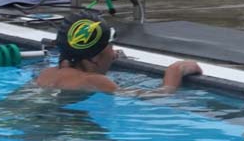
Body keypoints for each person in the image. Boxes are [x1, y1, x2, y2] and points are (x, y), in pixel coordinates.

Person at [35, 11, 201, 94]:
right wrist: (175, 72)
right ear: (94, 57)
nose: (114, 54)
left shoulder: (46, 74)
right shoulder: (96, 81)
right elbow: (157, 97)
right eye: (111, 46)